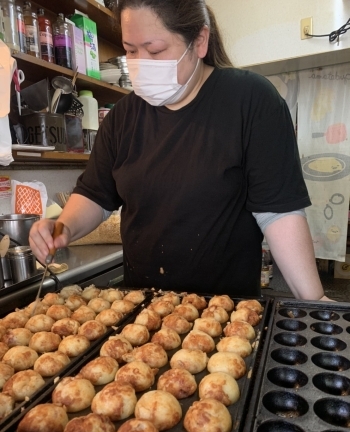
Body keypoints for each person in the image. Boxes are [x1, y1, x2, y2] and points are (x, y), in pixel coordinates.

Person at [29, 0, 330, 300]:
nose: (141, 62)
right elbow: (96, 195)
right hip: (143, 307)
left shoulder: (251, 101)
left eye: (155, 50)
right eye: (131, 50)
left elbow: (278, 213)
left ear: (199, 41)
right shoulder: (122, 118)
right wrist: (62, 228)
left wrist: (315, 301)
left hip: (228, 312)